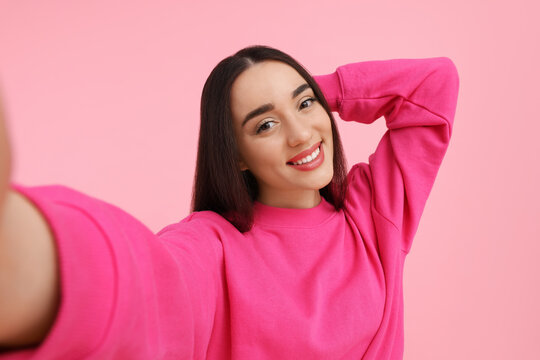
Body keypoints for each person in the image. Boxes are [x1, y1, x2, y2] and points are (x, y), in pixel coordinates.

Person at [0, 45, 459, 359]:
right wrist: (25, 246)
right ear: (235, 155)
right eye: (265, 125)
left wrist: (322, 90)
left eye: (304, 106)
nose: (301, 134)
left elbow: (433, 84)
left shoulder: (373, 212)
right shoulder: (213, 243)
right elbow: (151, 282)